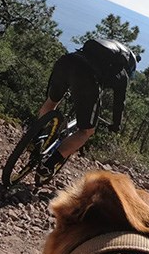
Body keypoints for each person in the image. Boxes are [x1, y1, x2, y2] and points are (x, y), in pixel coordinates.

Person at [34, 38, 140, 185]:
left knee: (52, 101)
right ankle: (48, 165)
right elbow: (119, 104)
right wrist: (116, 125)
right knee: (86, 131)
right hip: (86, 78)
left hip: (67, 61)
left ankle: (35, 136)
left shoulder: (100, 49)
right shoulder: (122, 74)